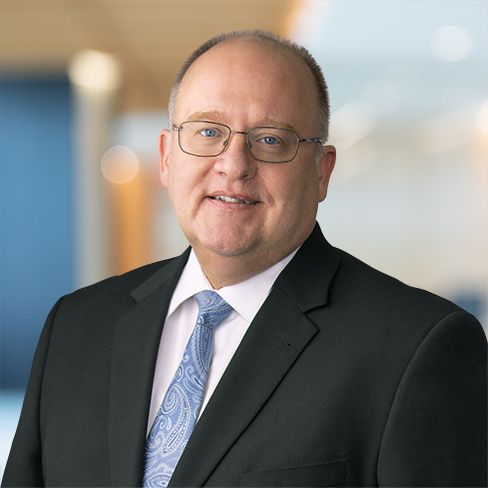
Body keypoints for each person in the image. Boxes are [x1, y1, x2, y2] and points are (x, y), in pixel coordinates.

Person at [2, 30, 486, 488]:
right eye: (208, 132)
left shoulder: (417, 346)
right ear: (167, 158)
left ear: (322, 171)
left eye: (271, 139)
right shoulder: (77, 325)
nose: (234, 164)